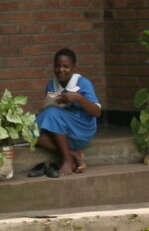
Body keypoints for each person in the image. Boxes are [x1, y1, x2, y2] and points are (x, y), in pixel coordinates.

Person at [30, 48, 101, 178]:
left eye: (66, 66)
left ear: (74, 67)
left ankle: (67, 159)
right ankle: (73, 154)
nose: (61, 70)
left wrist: (78, 98)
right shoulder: (51, 85)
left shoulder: (83, 83)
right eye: (57, 66)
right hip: (61, 133)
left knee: (51, 113)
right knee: (30, 131)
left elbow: (97, 113)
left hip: (80, 130)